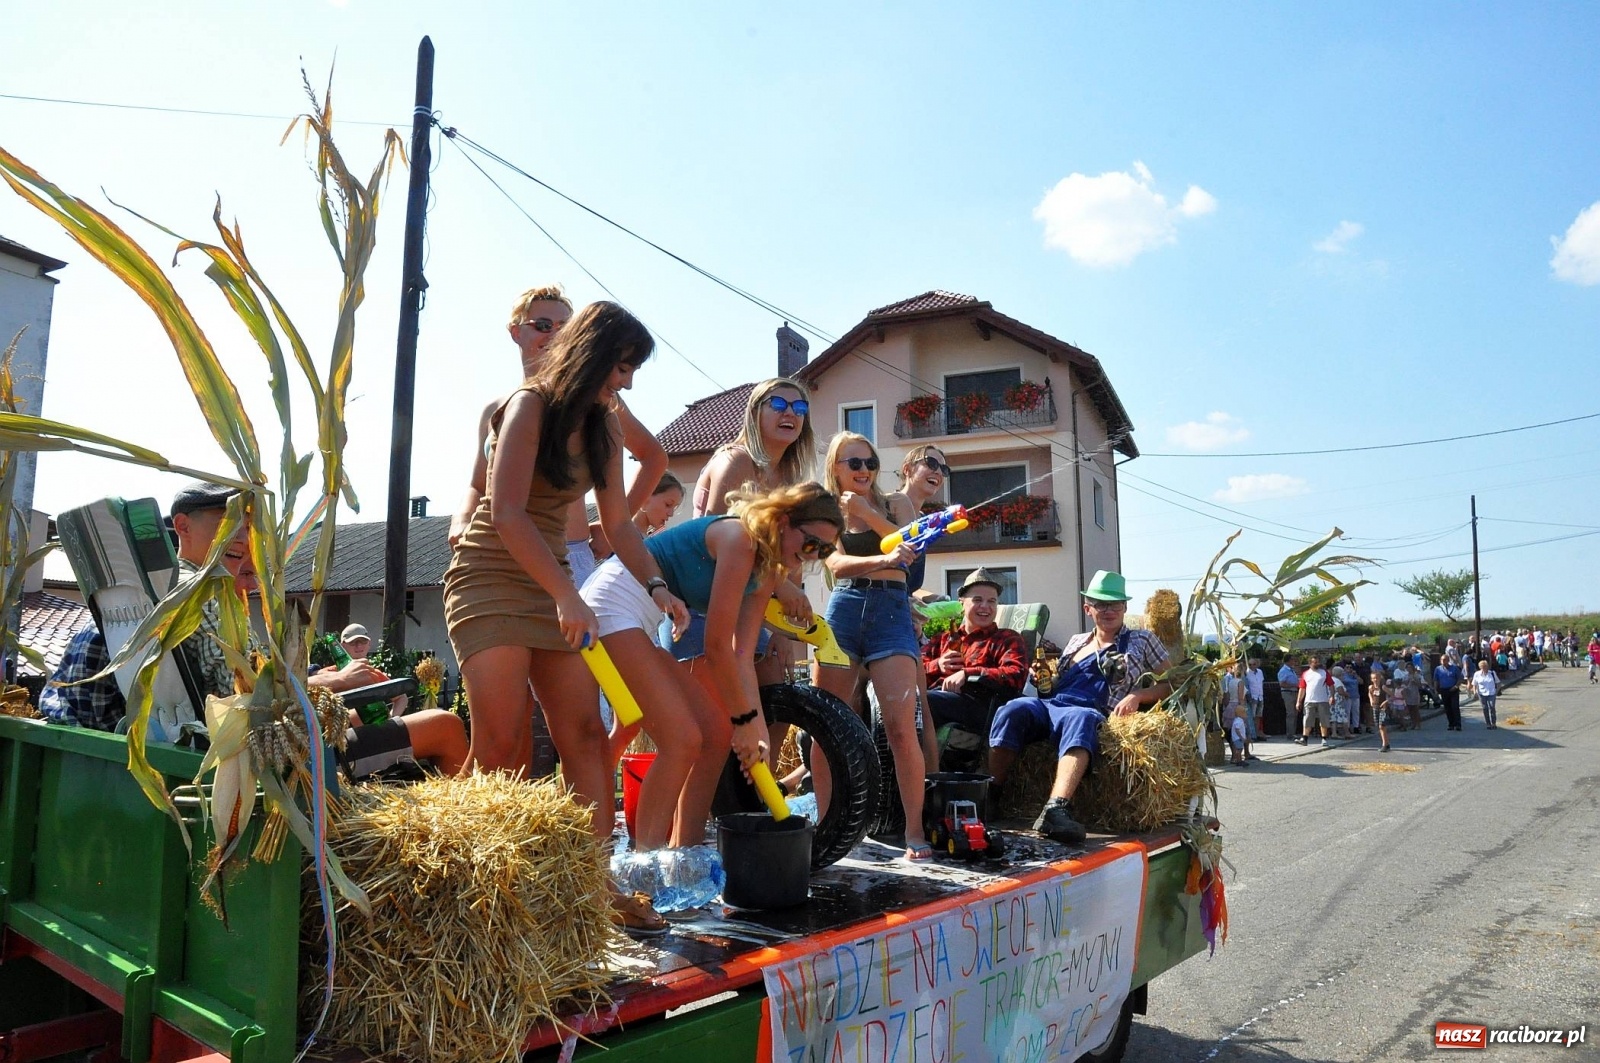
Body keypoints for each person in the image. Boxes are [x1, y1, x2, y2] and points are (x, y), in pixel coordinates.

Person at [443, 302, 691, 933]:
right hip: (491, 576)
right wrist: (566, 595)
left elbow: (616, 526)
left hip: (551, 578)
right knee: (503, 746)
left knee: (584, 736)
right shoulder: (528, 405)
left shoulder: (604, 426)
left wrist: (658, 585)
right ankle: (471, 887)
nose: (627, 382)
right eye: (622, 366)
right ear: (591, 354)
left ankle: (589, 886)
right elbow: (505, 513)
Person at [42, 482, 466, 775]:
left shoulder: (145, 592)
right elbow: (239, 700)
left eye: (246, 523)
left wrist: (325, 679)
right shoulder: (204, 591)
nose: (242, 532)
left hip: (178, 745)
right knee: (444, 724)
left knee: (353, 714)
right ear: (182, 525)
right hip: (247, 760)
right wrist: (332, 686)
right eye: (225, 520)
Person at [584, 482, 842, 852]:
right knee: (682, 740)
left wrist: (754, 729)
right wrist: (745, 720)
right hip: (611, 602)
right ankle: (646, 864)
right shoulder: (740, 539)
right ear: (784, 522)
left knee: (717, 734)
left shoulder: (769, 569)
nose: (814, 555)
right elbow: (717, 647)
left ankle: (681, 854)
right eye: (811, 543)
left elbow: (741, 654)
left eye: (825, 550)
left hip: (640, 619)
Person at [987, 570, 1171, 845]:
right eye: (1100, 604)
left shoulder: (1142, 640)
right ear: (1088, 608)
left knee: (1080, 718)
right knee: (1013, 709)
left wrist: (1138, 695)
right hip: (1053, 704)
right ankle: (991, 794)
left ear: (1125, 608)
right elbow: (1054, 687)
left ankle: (1055, 808)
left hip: (1089, 708)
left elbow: (1172, 684)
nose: (1108, 610)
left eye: (1115, 604)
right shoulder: (1076, 642)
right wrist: (1042, 680)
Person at [813, 432, 930, 861]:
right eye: (853, 462)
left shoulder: (895, 503)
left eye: (869, 461)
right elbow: (835, 563)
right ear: (836, 467)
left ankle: (914, 832)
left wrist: (866, 513)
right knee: (826, 721)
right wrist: (882, 558)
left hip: (891, 610)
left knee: (901, 726)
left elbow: (912, 543)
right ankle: (827, 828)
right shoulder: (825, 510)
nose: (863, 469)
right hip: (845, 606)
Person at [689, 378, 818, 687]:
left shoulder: (791, 480)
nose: (790, 413)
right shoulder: (736, 460)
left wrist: (782, 631)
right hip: (700, 604)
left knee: (777, 708)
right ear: (754, 413)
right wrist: (780, 585)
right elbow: (713, 540)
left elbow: (793, 562)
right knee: (719, 726)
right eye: (778, 405)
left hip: (749, 608)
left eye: (799, 408)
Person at [921, 568, 1028, 740]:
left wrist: (968, 673)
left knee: (921, 703)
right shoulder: (943, 639)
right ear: (961, 603)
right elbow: (912, 670)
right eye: (977, 600)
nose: (985, 606)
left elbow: (1016, 675)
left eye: (992, 601)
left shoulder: (1007, 638)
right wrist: (937, 665)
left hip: (980, 706)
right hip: (938, 698)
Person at [1295, 655, 1334, 747]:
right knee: (1308, 719)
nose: (1316, 664)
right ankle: (1305, 738)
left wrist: (1331, 696)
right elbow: (1302, 688)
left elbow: (1331, 685)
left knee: (1323, 719)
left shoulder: (1324, 673)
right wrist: (1299, 701)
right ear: (1310, 663)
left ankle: (1324, 738)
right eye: (1314, 662)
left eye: (1317, 662)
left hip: (1322, 700)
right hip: (1309, 700)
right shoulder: (1305, 674)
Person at [1434, 654, 1464, 731]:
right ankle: (1451, 724)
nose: (1443, 662)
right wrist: (1435, 689)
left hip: (1453, 689)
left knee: (1455, 707)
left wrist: (1456, 686)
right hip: (1444, 690)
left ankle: (1458, 724)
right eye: (1442, 660)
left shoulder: (1454, 668)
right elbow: (1436, 680)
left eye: (1445, 660)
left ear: (1448, 660)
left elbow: (1460, 679)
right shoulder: (1438, 669)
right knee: (1447, 708)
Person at [1368, 667, 1392, 753]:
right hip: (1375, 707)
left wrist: (1386, 702)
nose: (1375, 680)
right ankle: (1386, 743)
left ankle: (1384, 744)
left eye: (1377, 678)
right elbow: (1370, 694)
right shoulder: (1371, 687)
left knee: (1382, 726)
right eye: (1374, 678)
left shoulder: (1383, 687)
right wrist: (1371, 700)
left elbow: (1392, 695)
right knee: (1379, 726)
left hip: (1383, 708)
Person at [1243, 657, 1265, 751]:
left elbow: (1261, 682)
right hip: (1253, 697)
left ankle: (1256, 733)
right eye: (1250, 664)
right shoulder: (1247, 673)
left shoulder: (1260, 672)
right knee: (1251, 716)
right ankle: (1252, 735)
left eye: (1254, 664)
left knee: (1258, 716)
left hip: (1260, 695)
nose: (1252, 666)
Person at [1277, 655, 1300, 737]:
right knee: (1290, 713)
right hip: (1288, 693)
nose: (1294, 662)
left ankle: (1293, 732)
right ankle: (1290, 733)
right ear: (1289, 661)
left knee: (1295, 713)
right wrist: (1294, 685)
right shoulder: (1283, 671)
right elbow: (1282, 684)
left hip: (1294, 692)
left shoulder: (1291, 670)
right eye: (1293, 660)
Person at [1472, 659, 1499, 728]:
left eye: (1485, 666)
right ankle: (1488, 723)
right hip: (1481, 693)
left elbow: (1498, 682)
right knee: (1485, 708)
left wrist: (1496, 691)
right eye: (1482, 667)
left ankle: (1493, 723)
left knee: (1492, 707)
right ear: (1480, 667)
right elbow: (1474, 684)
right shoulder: (1477, 674)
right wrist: (1475, 692)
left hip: (1491, 692)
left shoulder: (1492, 673)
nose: (1484, 668)